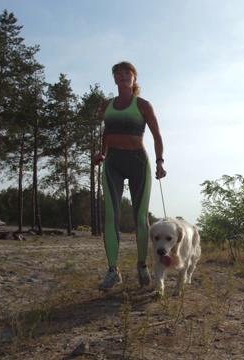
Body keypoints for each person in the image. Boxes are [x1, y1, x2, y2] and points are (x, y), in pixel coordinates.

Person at [93, 61, 167, 291]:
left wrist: (159, 161)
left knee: (140, 217)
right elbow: (107, 132)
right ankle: (113, 271)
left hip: (138, 162)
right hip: (113, 163)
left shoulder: (143, 105)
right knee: (111, 215)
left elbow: (156, 135)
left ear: (134, 79)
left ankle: (142, 265)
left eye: (128, 73)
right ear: (114, 79)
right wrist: (102, 154)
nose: (123, 76)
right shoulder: (105, 106)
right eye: (119, 73)